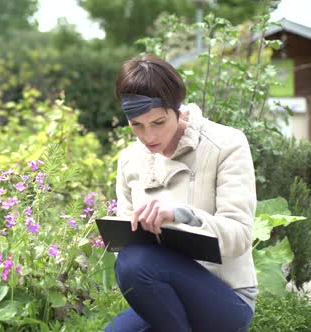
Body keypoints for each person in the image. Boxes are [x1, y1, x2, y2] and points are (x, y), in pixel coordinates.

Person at [105, 55, 257, 332]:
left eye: (158, 122)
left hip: (225, 297)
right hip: (162, 295)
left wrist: (179, 214)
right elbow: (124, 248)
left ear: (177, 109)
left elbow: (239, 236)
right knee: (130, 261)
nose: (148, 136)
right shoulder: (129, 160)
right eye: (136, 125)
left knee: (136, 262)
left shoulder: (226, 144)